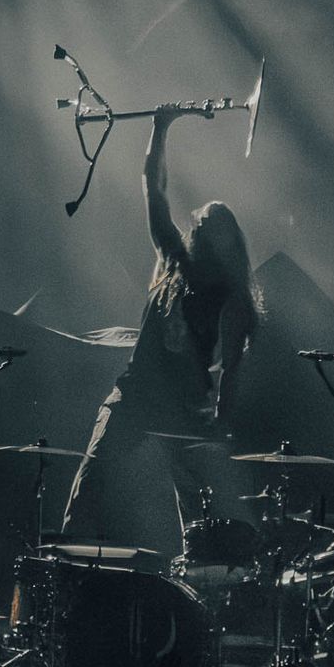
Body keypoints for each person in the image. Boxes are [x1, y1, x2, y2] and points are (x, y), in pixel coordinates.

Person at [61, 108, 263, 553]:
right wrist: (160, 126)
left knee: (202, 512)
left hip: (183, 409)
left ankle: (206, 576)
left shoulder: (230, 300)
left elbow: (231, 370)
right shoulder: (174, 261)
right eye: (202, 220)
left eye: (209, 222)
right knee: (91, 482)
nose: (199, 222)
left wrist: (219, 428)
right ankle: (66, 567)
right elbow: (154, 190)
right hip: (135, 396)